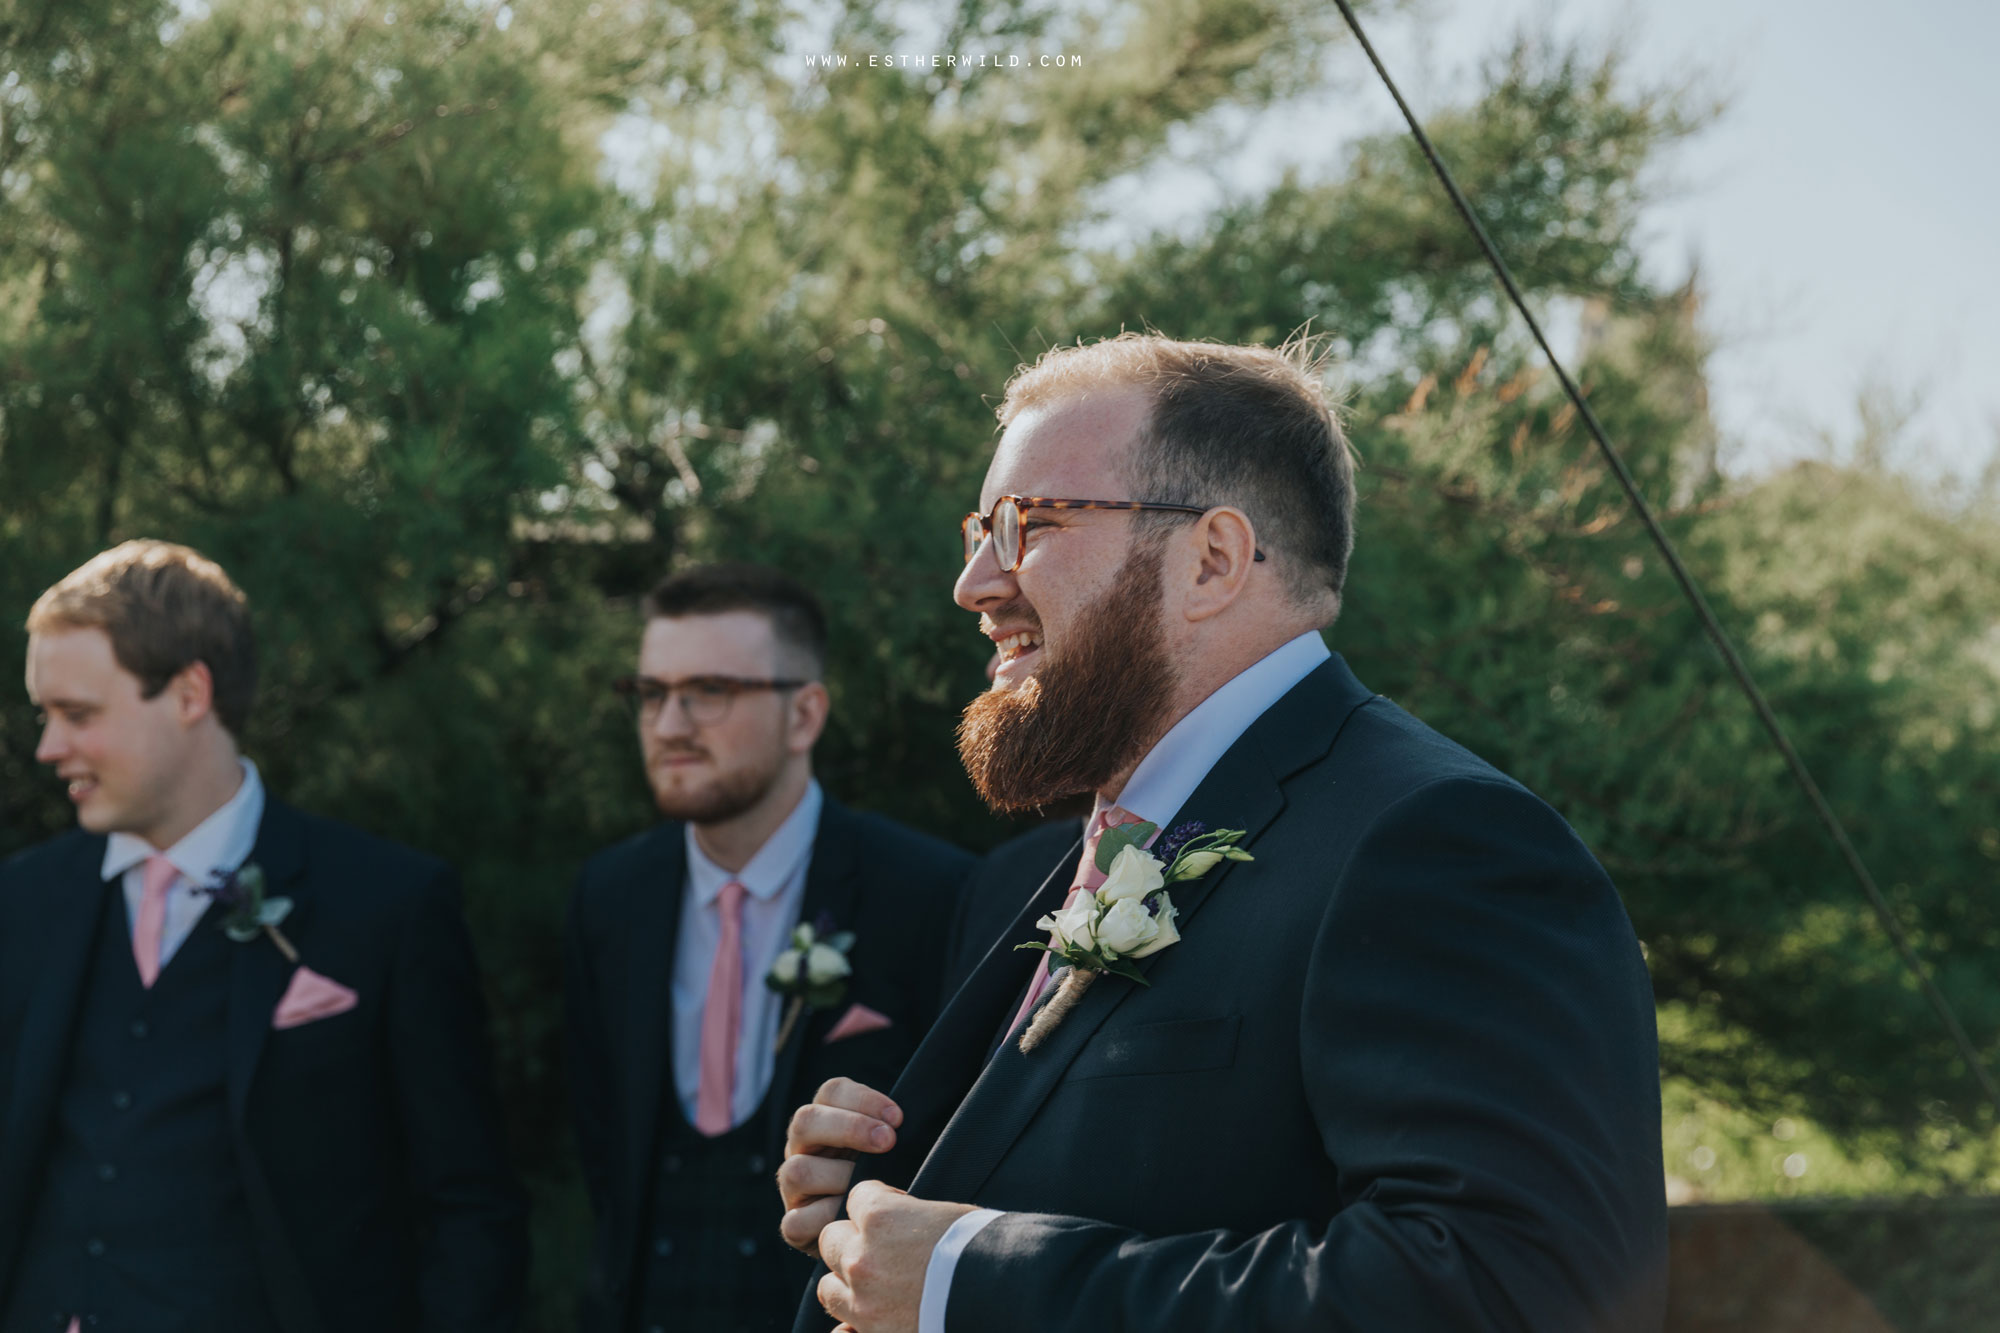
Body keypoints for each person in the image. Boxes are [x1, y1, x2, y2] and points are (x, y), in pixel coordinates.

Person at [776, 334, 1669, 1333]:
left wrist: (969, 1283)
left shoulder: (1439, 841)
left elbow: (1514, 1288)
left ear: (1210, 560)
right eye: (978, 528)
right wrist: (893, 1184)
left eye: (1029, 523)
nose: (974, 583)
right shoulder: (1066, 862)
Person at [0, 540, 526, 1333]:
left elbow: (469, 1208)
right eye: (45, 716)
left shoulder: (386, 904)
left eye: (78, 714)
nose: (48, 748)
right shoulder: (23, 900)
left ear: (188, 693)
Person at [565, 564, 973, 1333]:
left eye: (709, 690)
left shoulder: (930, 892)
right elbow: (603, 1145)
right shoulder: (609, 896)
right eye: (651, 693)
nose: (669, 723)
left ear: (804, 714)